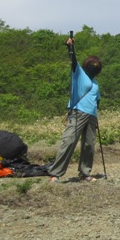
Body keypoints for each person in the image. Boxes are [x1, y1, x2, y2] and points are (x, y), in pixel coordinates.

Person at [49, 37, 103, 183]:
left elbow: (97, 100)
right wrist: (70, 48)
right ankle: (56, 173)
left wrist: (96, 113)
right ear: (86, 66)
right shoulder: (79, 74)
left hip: (91, 115)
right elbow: (73, 61)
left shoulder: (95, 83)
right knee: (69, 141)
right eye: (92, 65)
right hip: (78, 112)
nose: (94, 67)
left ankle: (85, 173)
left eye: (96, 66)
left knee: (89, 145)